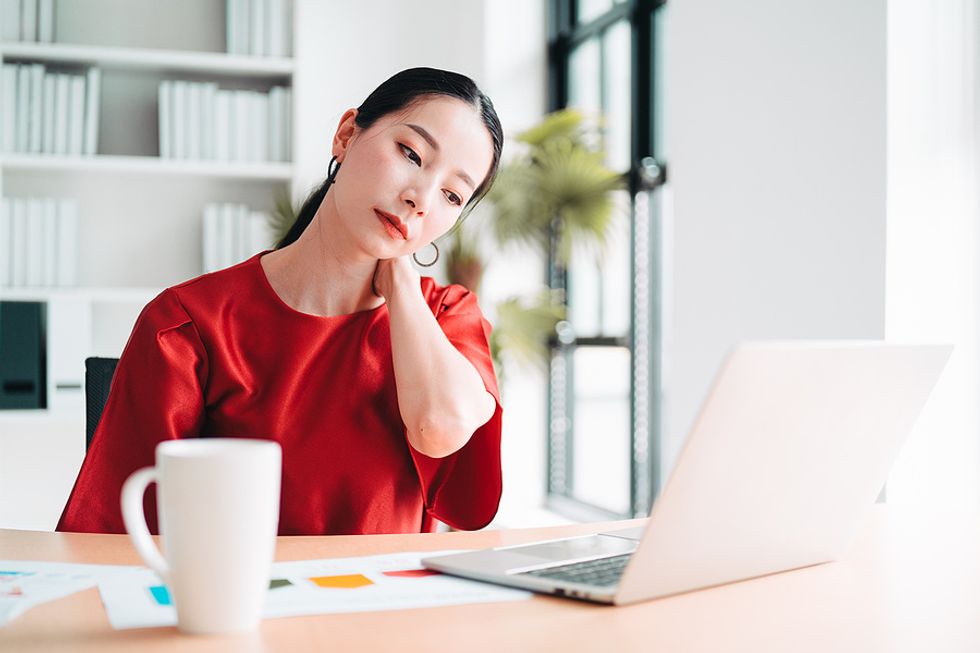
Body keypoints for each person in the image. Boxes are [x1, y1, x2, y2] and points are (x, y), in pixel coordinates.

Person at [57, 67, 504, 535]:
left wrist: (402, 283)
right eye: (411, 154)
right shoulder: (187, 325)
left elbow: (440, 427)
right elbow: (116, 530)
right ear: (347, 135)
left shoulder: (448, 315)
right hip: (237, 603)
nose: (421, 200)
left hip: (389, 604)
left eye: (453, 195)